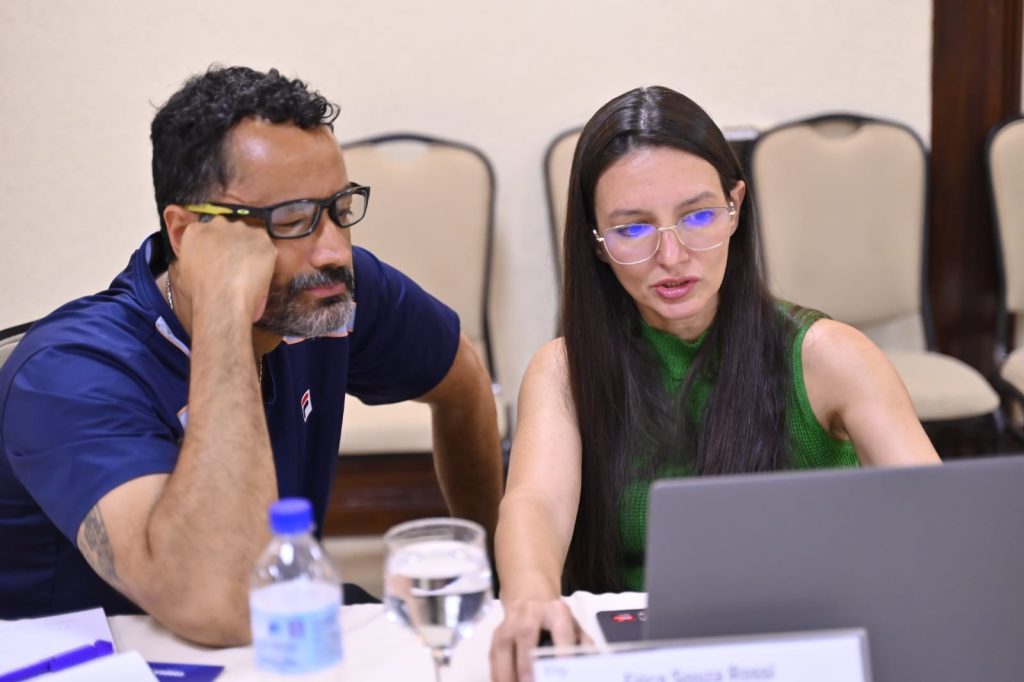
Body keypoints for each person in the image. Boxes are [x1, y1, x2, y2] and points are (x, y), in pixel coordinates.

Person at [0, 65, 504, 645]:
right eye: (291, 220)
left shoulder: (323, 287)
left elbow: (463, 382)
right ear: (186, 234)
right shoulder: (68, 373)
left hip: (273, 637)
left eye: (340, 209)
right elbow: (221, 607)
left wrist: (501, 586)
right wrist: (223, 310)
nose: (336, 251)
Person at [488, 86, 940, 681]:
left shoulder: (829, 356)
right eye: (632, 229)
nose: (672, 256)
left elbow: (937, 519)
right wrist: (529, 597)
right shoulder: (564, 372)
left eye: (698, 216)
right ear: (595, 242)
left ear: (735, 208)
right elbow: (537, 505)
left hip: (802, 652)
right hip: (636, 660)